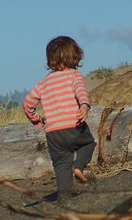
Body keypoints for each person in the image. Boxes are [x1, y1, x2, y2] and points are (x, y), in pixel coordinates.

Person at [23, 36, 96, 200]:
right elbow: (80, 91)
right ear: (75, 55)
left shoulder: (43, 83)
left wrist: (36, 120)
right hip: (74, 126)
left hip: (53, 132)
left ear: (51, 59)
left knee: (61, 163)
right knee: (88, 143)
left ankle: (65, 194)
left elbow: (28, 103)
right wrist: (84, 105)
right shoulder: (74, 75)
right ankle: (79, 167)